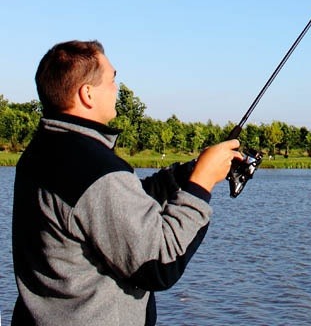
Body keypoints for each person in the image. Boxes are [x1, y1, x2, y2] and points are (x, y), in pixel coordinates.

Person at [11, 40, 243, 326]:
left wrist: (184, 175)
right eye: (112, 79)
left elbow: (110, 211)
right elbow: (158, 264)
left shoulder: (43, 151)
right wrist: (200, 185)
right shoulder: (94, 169)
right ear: (87, 94)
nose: (116, 89)